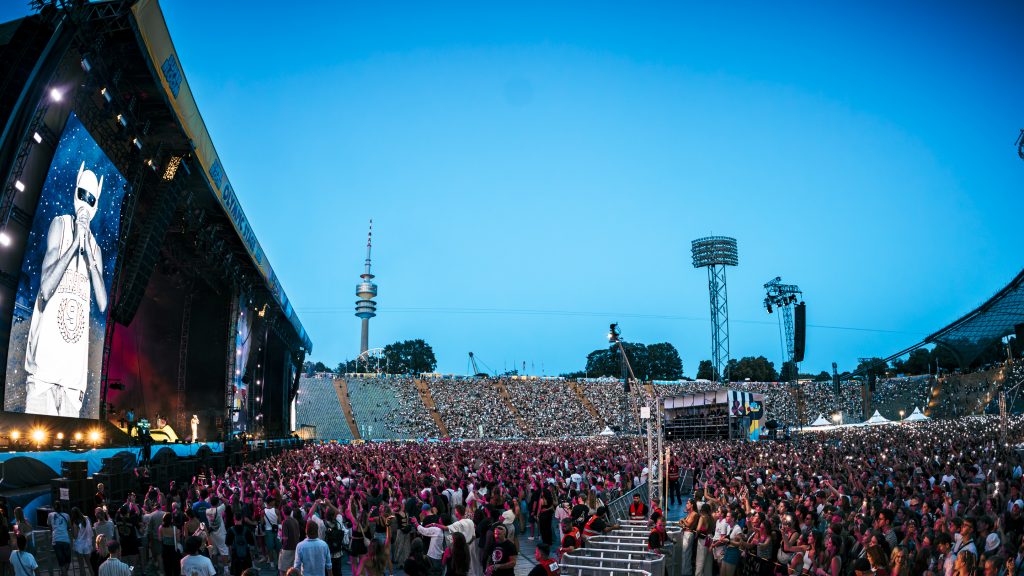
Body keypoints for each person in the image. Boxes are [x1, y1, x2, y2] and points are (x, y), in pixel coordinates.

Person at [24, 160, 108, 417]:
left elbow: (103, 303)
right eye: (82, 194)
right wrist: (73, 246)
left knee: (67, 452)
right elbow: (46, 289)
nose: (85, 201)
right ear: (75, 193)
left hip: (73, 382)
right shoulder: (59, 225)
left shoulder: (96, 250)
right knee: (34, 449)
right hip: (44, 375)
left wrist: (91, 260)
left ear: (96, 203)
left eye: (91, 198)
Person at [49, 502, 73, 576]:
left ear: (54, 508)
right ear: (62, 508)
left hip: (56, 540)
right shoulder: (67, 516)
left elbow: (49, 525)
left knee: (61, 562)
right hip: (65, 540)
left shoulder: (50, 515)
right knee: (68, 561)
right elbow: (69, 526)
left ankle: (64, 574)